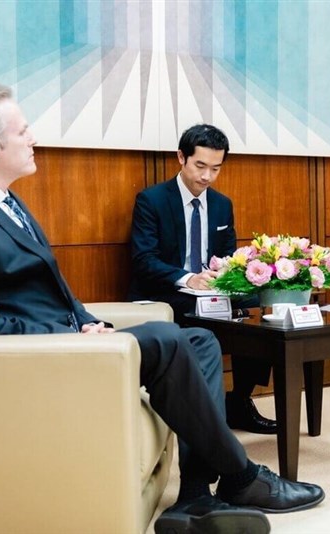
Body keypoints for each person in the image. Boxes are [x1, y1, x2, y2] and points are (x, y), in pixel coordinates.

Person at [0, 83, 324, 534]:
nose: (33, 139)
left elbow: (52, 291)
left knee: (200, 340)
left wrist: (89, 321)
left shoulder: (4, 202)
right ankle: (243, 477)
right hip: (30, 361)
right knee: (167, 336)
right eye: (24, 130)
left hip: (67, 342)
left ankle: (195, 497)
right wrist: (69, 334)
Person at [127, 124, 277, 435]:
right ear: (181, 157)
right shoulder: (151, 200)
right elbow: (144, 261)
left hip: (213, 290)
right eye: (200, 166)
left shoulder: (222, 205)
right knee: (198, 314)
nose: (207, 176)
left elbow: (228, 255)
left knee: (260, 310)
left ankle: (239, 400)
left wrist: (226, 273)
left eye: (215, 168)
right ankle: (206, 412)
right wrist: (187, 278)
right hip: (168, 291)